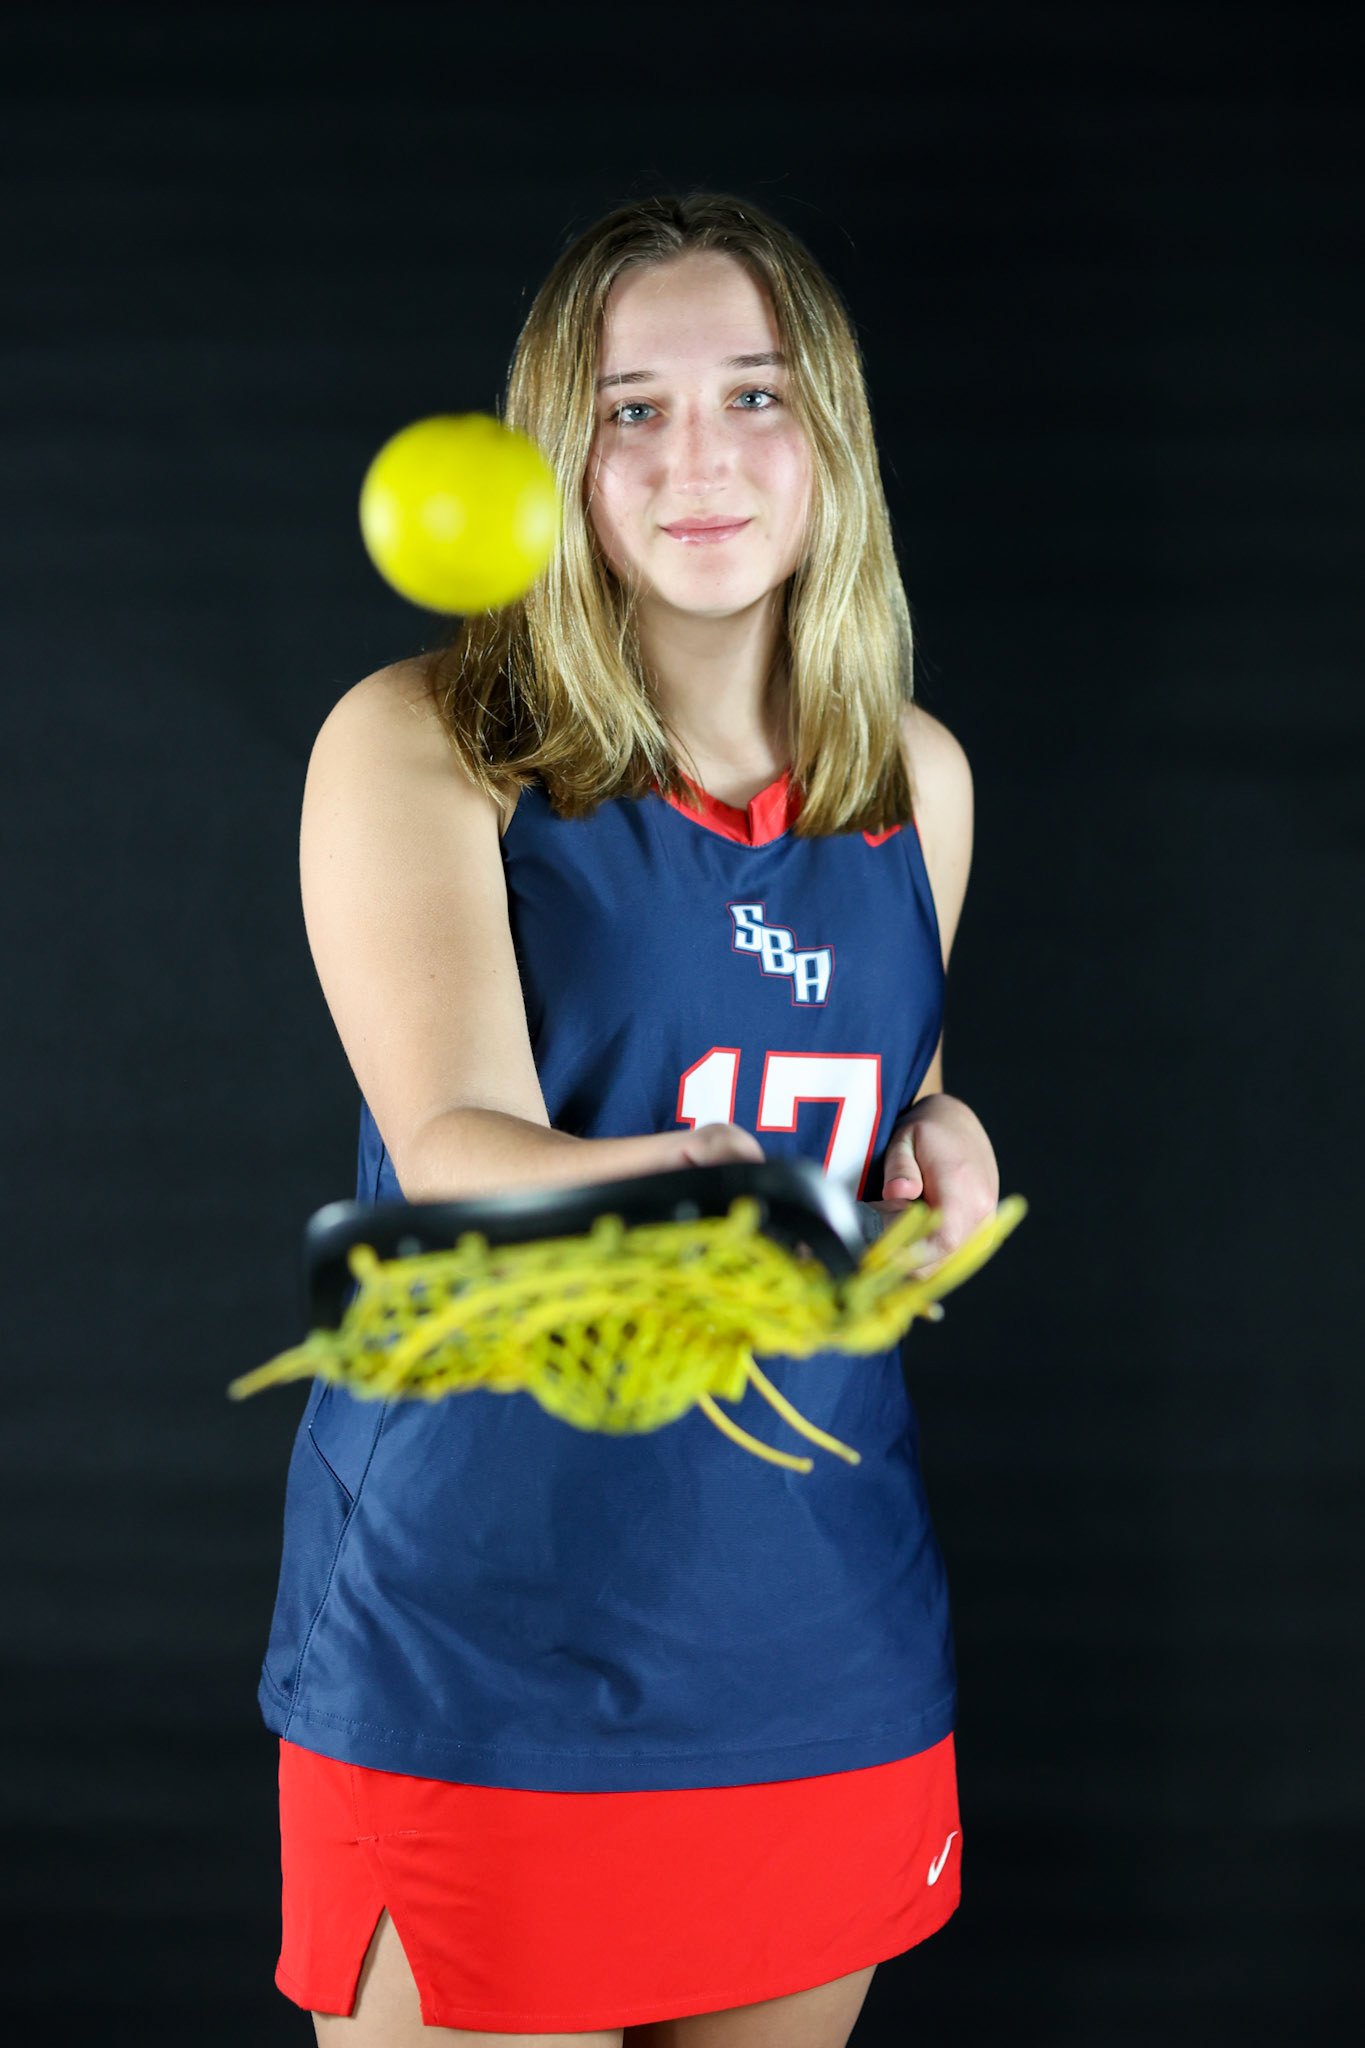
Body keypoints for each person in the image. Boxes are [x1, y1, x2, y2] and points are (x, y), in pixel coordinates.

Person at [260, 192, 1000, 2048]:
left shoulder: (911, 776)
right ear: (547, 461)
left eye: (752, 394)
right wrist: (685, 1182)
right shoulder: (425, 739)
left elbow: (882, 1093)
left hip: (816, 1646)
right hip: (477, 1655)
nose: (697, 459)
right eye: (628, 407)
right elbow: (454, 1144)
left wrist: (943, 1151)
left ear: (828, 435)